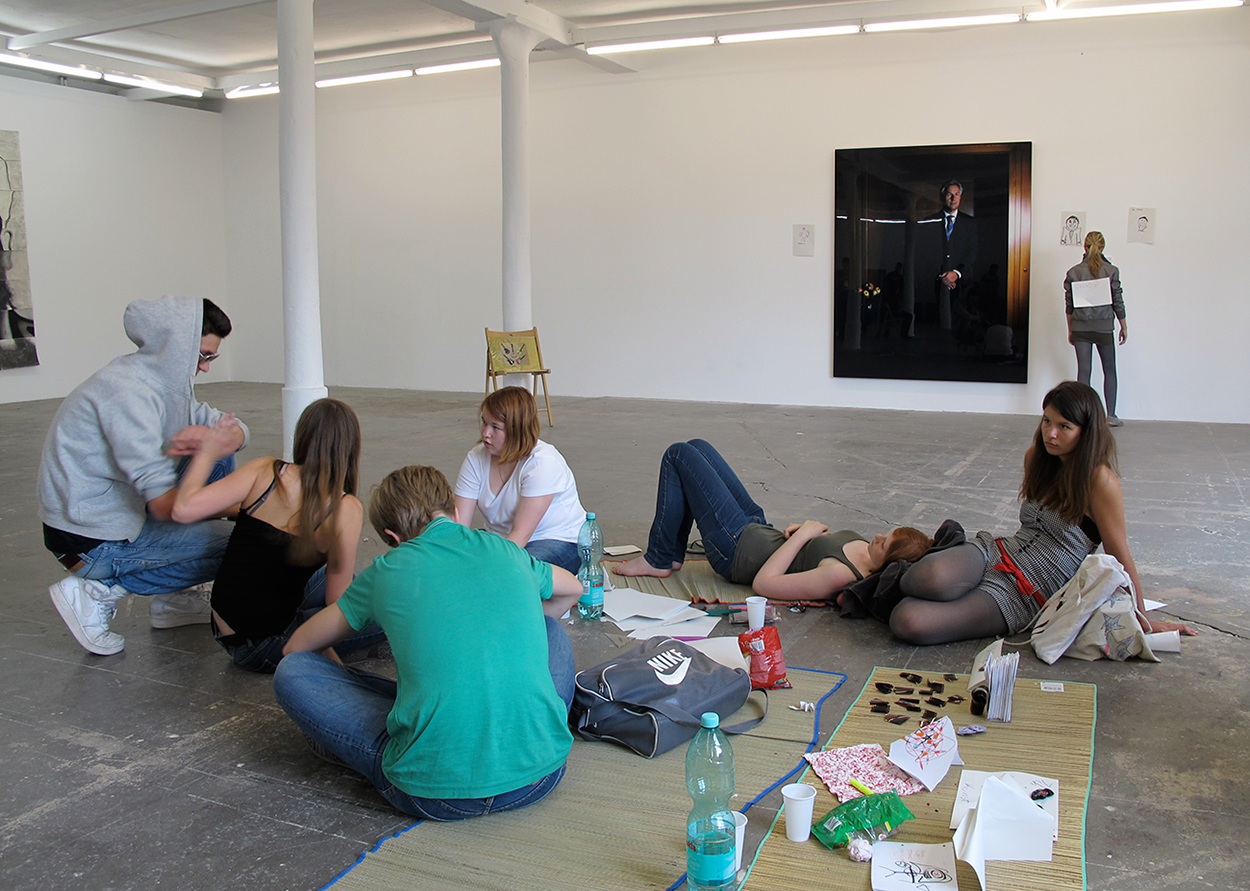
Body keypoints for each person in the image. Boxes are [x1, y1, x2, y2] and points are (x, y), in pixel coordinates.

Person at [271, 464, 581, 820]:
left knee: (293, 671)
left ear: (394, 536)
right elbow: (572, 588)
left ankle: (430, 725)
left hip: (433, 792)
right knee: (549, 629)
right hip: (541, 773)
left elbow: (297, 647)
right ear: (453, 510)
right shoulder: (505, 549)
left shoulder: (387, 569)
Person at [890, 381, 1199, 645]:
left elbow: (1120, 554)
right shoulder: (1036, 458)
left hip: (1029, 589)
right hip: (998, 552)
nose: (1051, 434)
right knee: (926, 577)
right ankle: (883, 577)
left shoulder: (1099, 481)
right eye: (1047, 421)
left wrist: (1143, 619)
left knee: (908, 620)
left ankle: (907, 592)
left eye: (1064, 427)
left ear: (1086, 433)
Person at [39, 295, 247, 656]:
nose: (205, 368)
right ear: (177, 346)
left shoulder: (166, 385)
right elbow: (168, 508)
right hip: (90, 542)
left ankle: (173, 600)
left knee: (218, 458)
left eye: (211, 358)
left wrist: (227, 438)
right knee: (243, 542)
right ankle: (98, 591)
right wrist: (250, 510)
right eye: (202, 356)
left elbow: (232, 428)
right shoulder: (128, 395)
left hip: (119, 515)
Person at [170, 398, 383, 672]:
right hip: (263, 645)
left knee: (333, 578)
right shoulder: (345, 508)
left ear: (302, 436)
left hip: (223, 626)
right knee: (386, 611)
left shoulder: (265, 470)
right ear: (350, 449)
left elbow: (184, 508)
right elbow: (338, 601)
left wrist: (208, 454)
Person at [613, 439, 932, 601]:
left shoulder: (839, 576)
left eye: (884, 544)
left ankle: (659, 558)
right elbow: (814, 551)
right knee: (698, 447)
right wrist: (805, 532)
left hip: (735, 551)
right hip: (758, 529)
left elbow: (765, 584)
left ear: (888, 564)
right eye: (886, 534)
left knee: (678, 454)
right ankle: (669, 554)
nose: (877, 537)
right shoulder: (866, 552)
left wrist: (802, 537)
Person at [454, 386, 586, 574]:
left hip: (558, 540)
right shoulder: (475, 458)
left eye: (495, 427)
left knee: (514, 574)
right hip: (503, 540)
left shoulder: (542, 462)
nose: (485, 433)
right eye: (484, 422)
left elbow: (520, 535)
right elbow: (458, 528)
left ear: (517, 430)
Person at [1065, 231, 1127, 425]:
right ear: (1103, 247)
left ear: (1085, 247)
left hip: (1080, 328)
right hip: (1104, 327)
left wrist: (1071, 329)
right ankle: (1111, 416)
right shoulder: (1111, 271)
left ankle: (1082, 417)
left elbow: (1069, 306)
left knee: (1084, 371)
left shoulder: (1073, 272)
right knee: (1109, 370)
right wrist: (1123, 325)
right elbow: (1118, 301)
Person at [930, 180, 978, 329]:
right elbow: (926, 251)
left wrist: (956, 273)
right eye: (949, 194)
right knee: (938, 323)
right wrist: (943, 276)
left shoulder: (969, 222)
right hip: (935, 280)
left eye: (956, 194)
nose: (953, 198)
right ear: (943, 197)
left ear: (961, 197)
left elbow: (972, 251)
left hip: (961, 282)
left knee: (959, 321)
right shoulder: (930, 221)